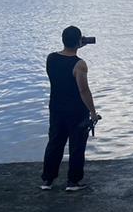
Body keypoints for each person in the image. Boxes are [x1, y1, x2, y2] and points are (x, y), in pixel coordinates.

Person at [40, 26, 99, 192]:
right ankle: (73, 182)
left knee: (55, 144)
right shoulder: (80, 64)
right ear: (79, 41)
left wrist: (76, 45)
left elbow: (61, 75)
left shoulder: (51, 58)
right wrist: (93, 112)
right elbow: (83, 90)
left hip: (56, 108)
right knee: (77, 146)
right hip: (76, 111)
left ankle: (47, 180)